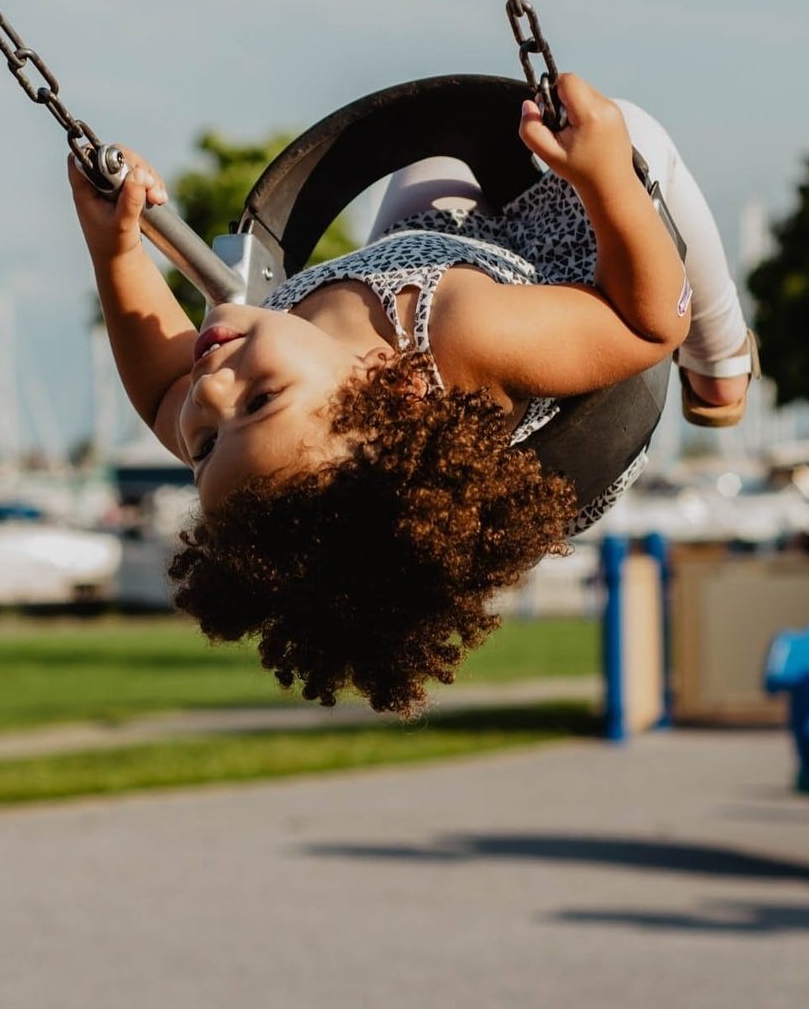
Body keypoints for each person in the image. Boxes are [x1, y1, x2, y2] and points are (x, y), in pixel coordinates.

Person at [69, 72, 757, 715]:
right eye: (259, 400)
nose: (212, 391)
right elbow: (646, 325)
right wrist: (605, 178)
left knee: (440, 147)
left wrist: (116, 250)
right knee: (633, 136)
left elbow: (162, 391)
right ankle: (723, 359)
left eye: (203, 444)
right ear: (393, 389)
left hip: (427, 247)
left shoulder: (268, 434)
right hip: (574, 282)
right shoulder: (468, 334)